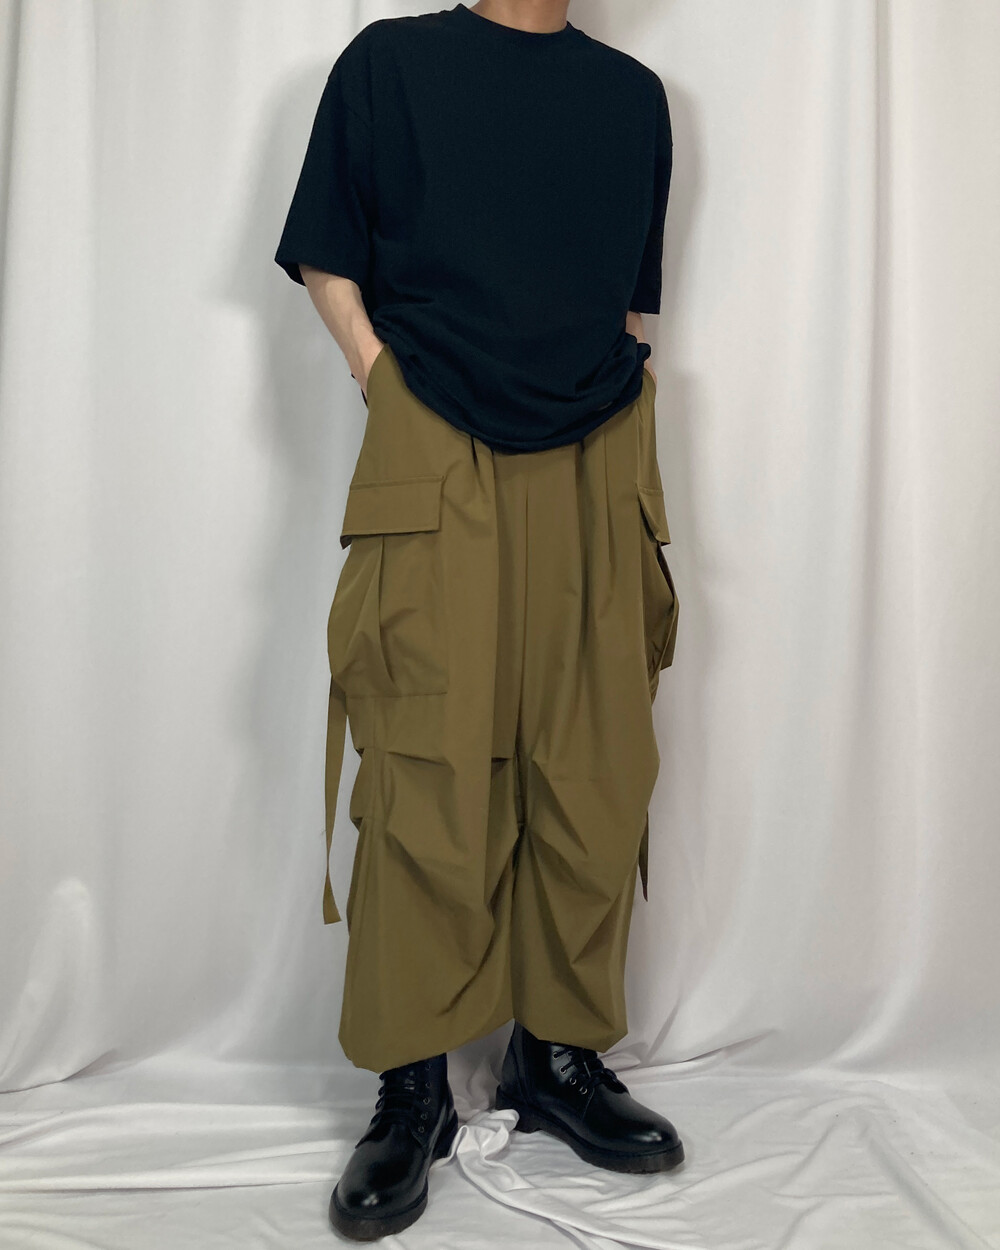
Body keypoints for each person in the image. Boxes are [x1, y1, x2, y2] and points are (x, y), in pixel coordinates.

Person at [274, 1, 682, 1239]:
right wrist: (380, 378)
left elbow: (629, 297)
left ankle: (553, 1058)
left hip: (598, 446)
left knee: (593, 755)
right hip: (435, 434)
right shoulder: (388, 66)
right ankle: (411, 1089)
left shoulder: (633, 100)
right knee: (425, 761)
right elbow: (326, 255)